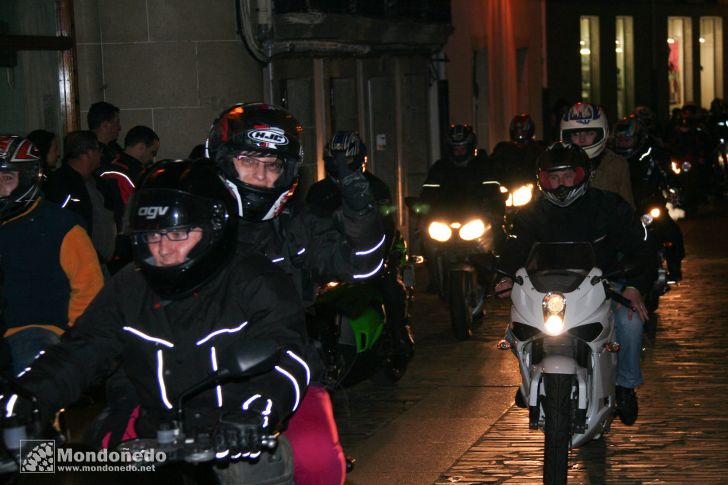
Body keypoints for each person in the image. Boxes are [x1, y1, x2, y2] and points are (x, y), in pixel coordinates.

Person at [1, 159, 310, 483]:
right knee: (61, 465)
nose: (162, 250)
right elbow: (82, 349)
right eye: (152, 235)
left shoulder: (257, 280)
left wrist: (256, 412)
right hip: (155, 441)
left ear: (214, 228)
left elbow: (288, 353)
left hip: (234, 440)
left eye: (177, 234)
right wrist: (28, 397)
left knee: (253, 470)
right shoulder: (130, 285)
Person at [206, 103, 385, 485]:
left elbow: (363, 264)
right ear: (224, 161)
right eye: (249, 160)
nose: (260, 174)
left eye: (272, 166)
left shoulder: (298, 225)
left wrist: (361, 214)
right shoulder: (195, 222)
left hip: (287, 366)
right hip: (200, 368)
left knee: (321, 462)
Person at [495, 142, 656, 426]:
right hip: (546, 289)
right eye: (552, 177)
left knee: (630, 322)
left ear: (584, 174)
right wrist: (505, 275)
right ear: (541, 180)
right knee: (514, 331)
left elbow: (641, 248)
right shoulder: (531, 213)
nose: (560, 184)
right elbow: (514, 248)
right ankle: (528, 378)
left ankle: (626, 386)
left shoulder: (609, 206)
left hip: (603, 284)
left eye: (568, 175)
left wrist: (634, 285)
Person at [306, 130, 414, 358]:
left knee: (391, 287)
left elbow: (386, 225)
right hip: (334, 256)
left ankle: (399, 333)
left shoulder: (375, 187)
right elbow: (309, 226)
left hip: (372, 253)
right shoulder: (318, 191)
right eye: (335, 160)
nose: (339, 165)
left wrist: (383, 256)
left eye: (345, 160)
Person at [0, 135, 103, 375]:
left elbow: (90, 291)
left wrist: (74, 339)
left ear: (28, 179)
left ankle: (36, 412)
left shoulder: (61, 227)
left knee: (35, 369)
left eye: (6, 178)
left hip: (36, 330)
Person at [43, 131, 121, 269]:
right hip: (79, 266)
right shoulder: (61, 185)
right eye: (98, 150)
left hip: (103, 264)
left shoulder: (98, 183)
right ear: (89, 152)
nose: (100, 155)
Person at [560, 102, 635, 208]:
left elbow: (628, 208)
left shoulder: (616, 164)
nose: (582, 139)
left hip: (607, 223)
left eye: (589, 133)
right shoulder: (558, 164)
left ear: (601, 134)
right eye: (576, 134)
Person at [100, 125, 160, 205]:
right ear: (141, 147)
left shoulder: (127, 169)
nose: (152, 159)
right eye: (153, 152)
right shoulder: (118, 175)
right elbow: (131, 209)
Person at [490, 114, 545, 187]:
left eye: (523, 131)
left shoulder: (538, 151)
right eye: (517, 131)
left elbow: (546, 170)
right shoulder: (503, 150)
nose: (520, 134)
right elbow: (493, 168)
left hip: (531, 188)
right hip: (508, 187)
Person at [88, 101, 122, 170]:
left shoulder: (114, 148)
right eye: (117, 122)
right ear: (105, 125)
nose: (119, 127)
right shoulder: (90, 153)